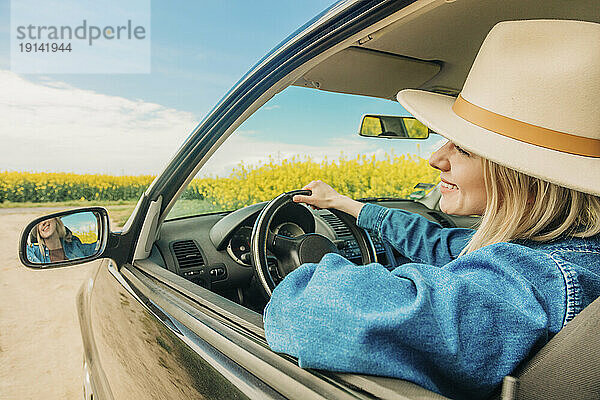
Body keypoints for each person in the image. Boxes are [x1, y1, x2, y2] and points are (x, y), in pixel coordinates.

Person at [263, 20, 600, 400]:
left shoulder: (531, 280)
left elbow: (313, 313)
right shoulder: (566, 250)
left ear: (532, 177)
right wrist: (343, 204)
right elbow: (440, 243)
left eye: (464, 147)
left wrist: (302, 271)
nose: (436, 158)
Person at [27, 217, 98, 263]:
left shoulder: (75, 246)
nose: (43, 223)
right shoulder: (35, 252)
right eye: (38, 223)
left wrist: (98, 219)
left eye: (46, 218)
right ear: (37, 231)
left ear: (55, 220)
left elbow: (99, 246)